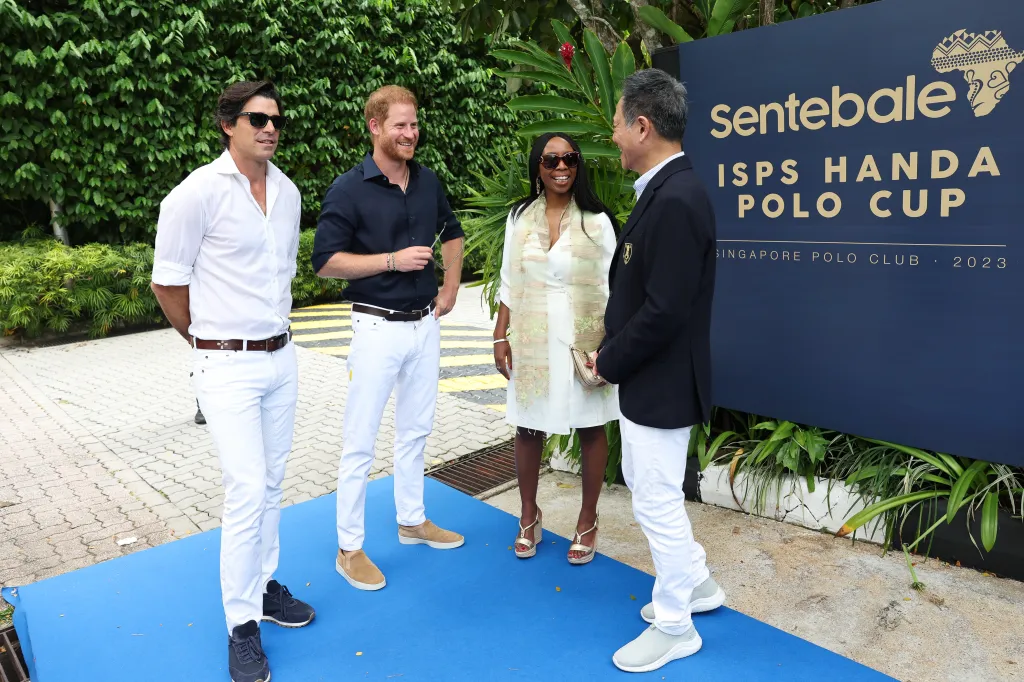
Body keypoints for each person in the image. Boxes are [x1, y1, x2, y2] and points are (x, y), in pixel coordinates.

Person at [151, 80, 314, 682]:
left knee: (271, 482)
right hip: (225, 364)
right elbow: (167, 282)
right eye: (257, 118)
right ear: (228, 124)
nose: (270, 127)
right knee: (245, 488)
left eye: (276, 118)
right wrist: (206, 342)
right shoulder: (195, 194)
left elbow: (280, 278)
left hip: (281, 358)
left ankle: (265, 586)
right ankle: (241, 626)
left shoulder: (290, 193)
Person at [591, 69, 726, 673]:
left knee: (656, 500)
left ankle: (676, 624)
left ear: (642, 126)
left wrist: (609, 360)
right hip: (652, 380)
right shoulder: (668, 190)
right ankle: (697, 584)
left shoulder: (675, 198)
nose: (614, 136)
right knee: (650, 488)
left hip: (659, 381)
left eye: (618, 124)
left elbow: (665, 310)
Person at [312, 85, 466, 592]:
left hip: (425, 326)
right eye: (400, 125)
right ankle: (349, 548)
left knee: (416, 431)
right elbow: (326, 262)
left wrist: (448, 287)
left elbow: (454, 233)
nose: (410, 133)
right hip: (375, 327)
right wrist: (392, 261)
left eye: (415, 124)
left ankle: (412, 521)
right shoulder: (347, 189)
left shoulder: (427, 180)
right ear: (374, 127)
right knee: (360, 441)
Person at [492, 133, 620, 564]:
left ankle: (588, 519)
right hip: (533, 336)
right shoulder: (520, 217)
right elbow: (511, 279)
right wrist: (499, 334)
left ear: (578, 164)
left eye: (569, 158)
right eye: (551, 160)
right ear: (538, 167)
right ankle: (529, 515)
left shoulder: (596, 220)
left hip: (584, 338)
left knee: (590, 425)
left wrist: (610, 345)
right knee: (528, 426)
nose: (561, 166)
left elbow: (612, 286)